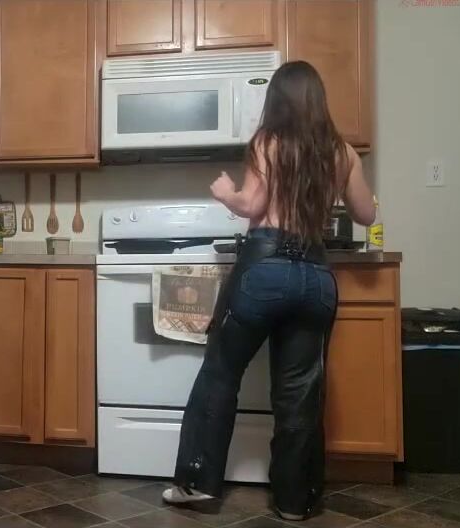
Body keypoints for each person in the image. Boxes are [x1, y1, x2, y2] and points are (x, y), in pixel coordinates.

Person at [160, 61, 376, 521]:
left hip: (264, 270)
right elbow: (366, 214)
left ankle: (197, 485)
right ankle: (295, 502)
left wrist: (226, 192)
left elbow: (252, 204)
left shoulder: (268, 141)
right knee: (300, 391)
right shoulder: (342, 153)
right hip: (315, 276)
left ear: (277, 99)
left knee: (221, 372)